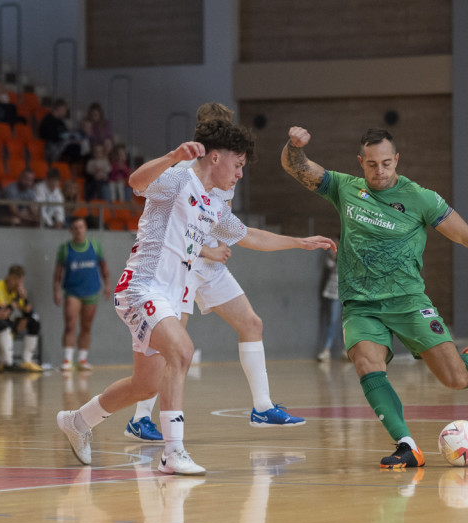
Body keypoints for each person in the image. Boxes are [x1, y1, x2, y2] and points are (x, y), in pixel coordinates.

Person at [56, 119, 335, 476]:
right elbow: (136, 182)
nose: (239, 175)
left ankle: (78, 421)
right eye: (238, 166)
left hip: (166, 297)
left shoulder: (213, 206)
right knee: (183, 350)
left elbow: (247, 235)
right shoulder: (178, 180)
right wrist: (172, 156)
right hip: (141, 287)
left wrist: (299, 242)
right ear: (215, 158)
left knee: (146, 385)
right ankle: (173, 453)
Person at [281, 126, 468, 468]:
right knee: (366, 363)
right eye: (371, 164)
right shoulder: (344, 188)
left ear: (397, 160)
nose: (379, 171)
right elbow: (297, 167)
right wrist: (294, 146)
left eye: (385, 163)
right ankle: (406, 445)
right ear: (360, 163)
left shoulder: (421, 198)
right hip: (361, 304)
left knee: (455, 379)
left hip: (409, 301)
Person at [125, 102, 308, 442]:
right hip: (183, 265)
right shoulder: (183, 172)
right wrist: (206, 248)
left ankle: (263, 406)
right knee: (170, 347)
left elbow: (228, 225)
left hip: (211, 264)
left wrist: (299, 241)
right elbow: (166, 216)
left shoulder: (229, 168)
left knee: (251, 323)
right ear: (208, 146)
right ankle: (141, 418)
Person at [53, 217, 109, 372]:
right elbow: (58, 273)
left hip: (91, 291)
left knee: (86, 326)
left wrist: (108, 285)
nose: (78, 230)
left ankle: (82, 360)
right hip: (72, 292)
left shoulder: (95, 245)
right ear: (71, 230)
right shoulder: (65, 249)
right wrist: (56, 290)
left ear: (85, 229)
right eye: (75, 227)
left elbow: (103, 267)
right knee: (70, 324)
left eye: (81, 227)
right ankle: (67, 359)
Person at [0, 264, 43, 372]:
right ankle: (6, 362)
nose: (17, 283)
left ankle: (27, 361)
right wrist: (16, 300)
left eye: (20, 280)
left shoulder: (17, 292)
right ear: (9, 276)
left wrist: (24, 298)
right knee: (5, 324)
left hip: (8, 321)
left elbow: (29, 312)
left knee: (34, 322)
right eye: (15, 279)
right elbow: (1, 314)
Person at [39, 99, 85, 164]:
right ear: (60, 109)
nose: (65, 112)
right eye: (64, 110)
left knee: (79, 143)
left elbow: (65, 133)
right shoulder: (47, 120)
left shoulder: (60, 122)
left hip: (62, 144)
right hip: (52, 146)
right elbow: (50, 136)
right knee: (75, 148)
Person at [316, 249, 341, 362]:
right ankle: (327, 349)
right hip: (335, 292)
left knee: (351, 323)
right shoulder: (335, 254)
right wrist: (334, 255)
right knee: (332, 321)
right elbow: (329, 264)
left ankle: (349, 350)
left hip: (350, 293)